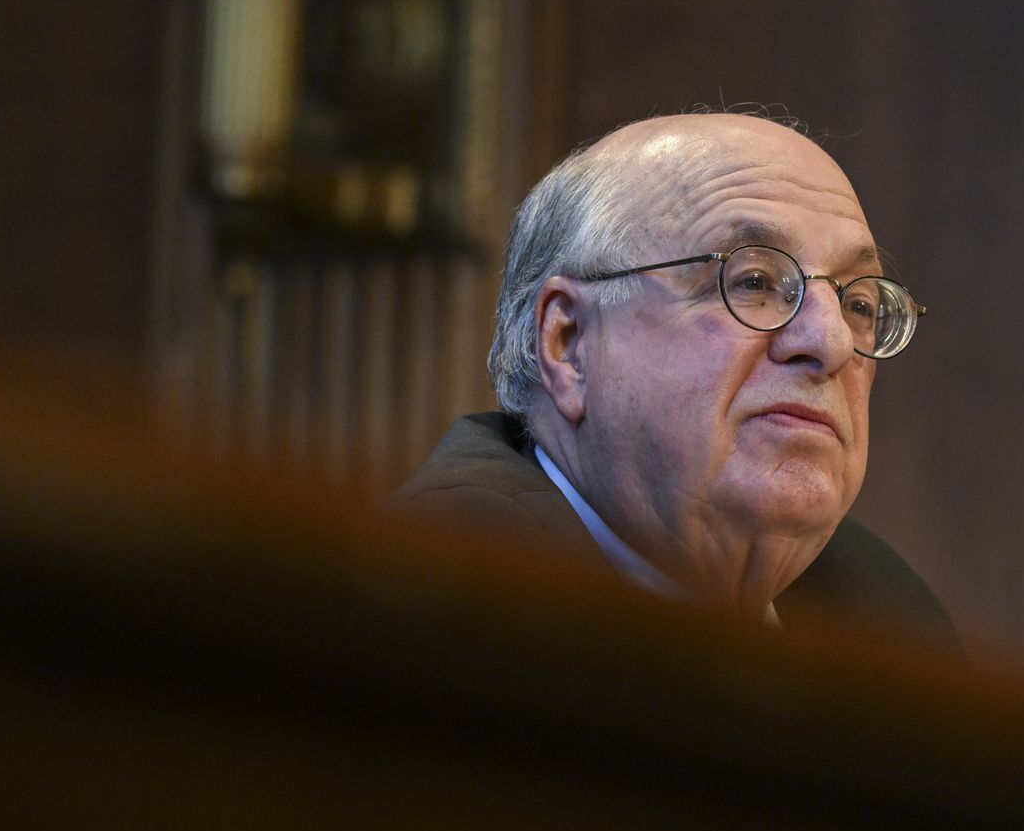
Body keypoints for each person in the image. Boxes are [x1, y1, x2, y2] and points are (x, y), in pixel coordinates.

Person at [388, 111, 956, 650]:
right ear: (570, 344)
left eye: (858, 303)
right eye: (754, 281)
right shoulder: (441, 591)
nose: (831, 343)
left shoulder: (882, 611)